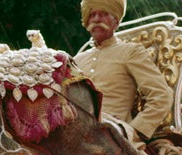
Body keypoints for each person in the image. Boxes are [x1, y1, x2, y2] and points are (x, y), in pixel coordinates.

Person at [74, 0, 173, 145]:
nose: (96, 19)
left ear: (116, 21)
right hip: (75, 135)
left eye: (103, 14)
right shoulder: (77, 59)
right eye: (92, 14)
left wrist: (132, 131)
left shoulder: (130, 52)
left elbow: (162, 96)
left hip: (114, 137)